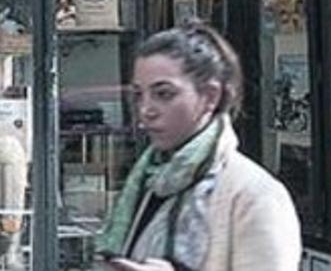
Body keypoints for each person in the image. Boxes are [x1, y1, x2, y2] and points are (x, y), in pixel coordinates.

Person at [97, 21, 301, 271]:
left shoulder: (254, 195)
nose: (145, 110)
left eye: (163, 94)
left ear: (210, 97)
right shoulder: (148, 180)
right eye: (138, 95)